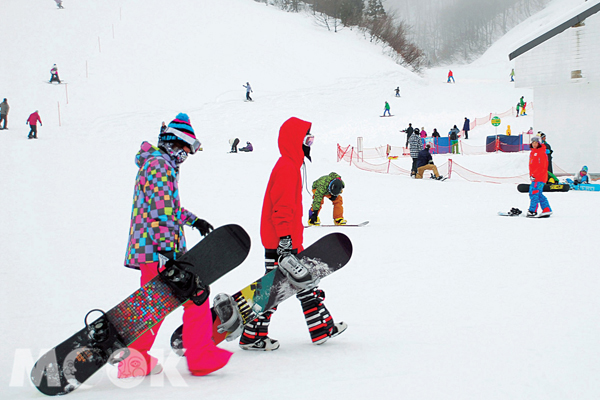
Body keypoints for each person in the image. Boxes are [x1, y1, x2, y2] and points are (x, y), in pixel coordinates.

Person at [120, 113, 236, 378]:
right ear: (175, 142)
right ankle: (199, 356)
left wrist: (195, 221)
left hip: (152, 248)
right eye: (186, 149)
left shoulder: (158, 164)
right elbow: (161, 213)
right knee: (191, 297)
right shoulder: (160, 165)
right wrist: (165, 253)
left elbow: (167, 207)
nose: (188, 155)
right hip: (157, 249)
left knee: (159, 304)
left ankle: (138, 360)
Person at [238, 117, 347, 351]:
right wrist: (286, 241)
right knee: (273, 290)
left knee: (303, 284)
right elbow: (281, 209)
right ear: (295, 141)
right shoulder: (287, 168)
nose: (310, 143)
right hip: (281, 242)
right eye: (307, 139)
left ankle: (321, 328)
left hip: (283, 240)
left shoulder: (290, 165)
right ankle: (251, 335)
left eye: (312, 139)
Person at [527, 136, 552, 218]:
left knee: (534, 193)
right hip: (535, 177)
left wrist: (535, 175)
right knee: (538, 193)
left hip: (539, 177)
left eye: (536, 143)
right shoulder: (533, 152)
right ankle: (546, 209)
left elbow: (542, 166)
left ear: (539, 143)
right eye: (533, 143)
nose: (534, 144)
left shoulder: (541, 152)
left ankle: (532, 210)